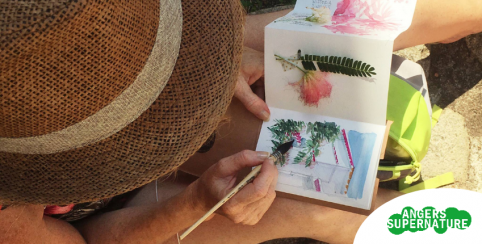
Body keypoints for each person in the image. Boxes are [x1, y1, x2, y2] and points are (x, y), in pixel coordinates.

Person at [1, 1, 481, 244]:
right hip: (114, 209)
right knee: (323, 205)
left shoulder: (40, 19)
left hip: (143, 64)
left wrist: (210, 59)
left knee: (348, 21)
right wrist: (195, 203)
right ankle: (426, 220)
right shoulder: (9, 206)